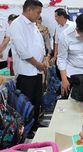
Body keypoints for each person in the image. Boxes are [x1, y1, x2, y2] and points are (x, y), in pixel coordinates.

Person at [9, 0, 46, 138]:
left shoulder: (32, 24)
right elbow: (22, 51)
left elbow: (39, 45)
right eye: (38, 12)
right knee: (26, 102)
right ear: (29, 10)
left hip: (36, 71)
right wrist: (38, 63)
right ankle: (26, 129)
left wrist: (43, 60)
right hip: (26, 72)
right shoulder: (17, 24)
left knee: (37, 100)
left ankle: (35, 124)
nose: (39, 15)